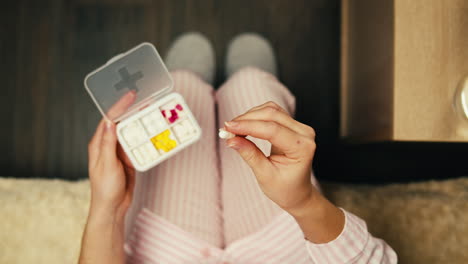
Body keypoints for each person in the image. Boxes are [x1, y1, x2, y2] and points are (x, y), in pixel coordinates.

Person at [78, 33, 397, 264]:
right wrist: (302, 201)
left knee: (183, 94)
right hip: (285, 250)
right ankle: (244, 79)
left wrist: (108, 208)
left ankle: (187, 79)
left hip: (165, 251)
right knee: (252, 88)